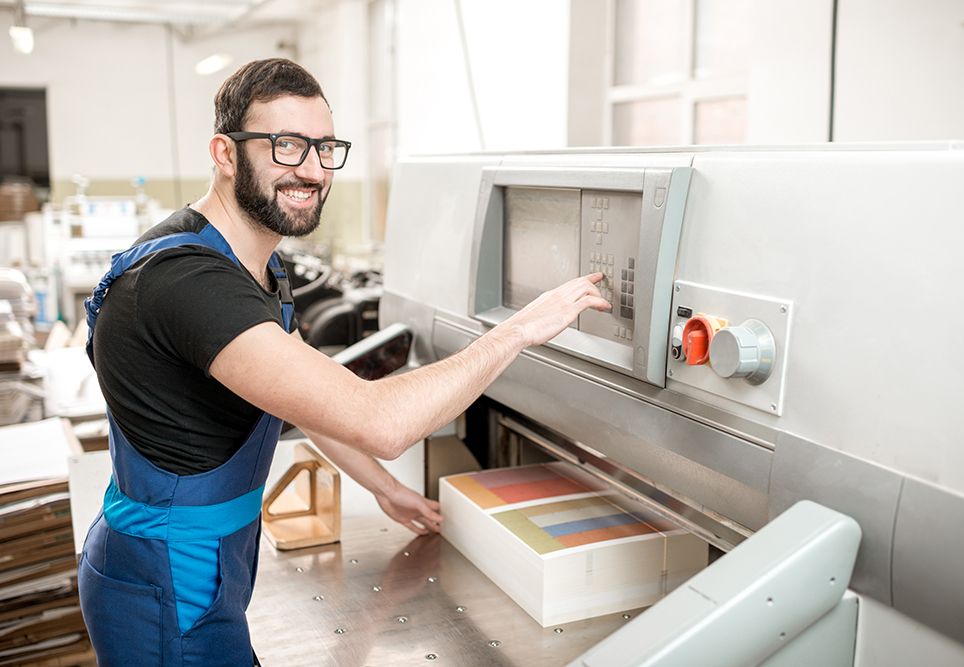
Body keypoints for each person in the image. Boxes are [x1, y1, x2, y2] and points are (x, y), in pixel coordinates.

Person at [77, 58, 608, 667]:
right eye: (286, 146)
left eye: (325, 148)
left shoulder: (254, 267)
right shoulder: (190, 282)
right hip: (164, 589)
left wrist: (386, 491)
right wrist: (516, 331)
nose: (311, 170)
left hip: (203, 570)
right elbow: (381, 422)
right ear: (225, 153)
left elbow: (311, 398)